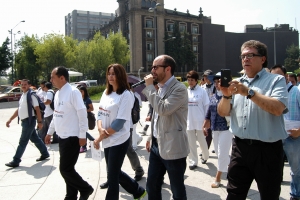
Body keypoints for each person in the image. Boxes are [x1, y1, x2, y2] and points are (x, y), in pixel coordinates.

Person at [218, 40, 288, 199]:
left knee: (269, 195)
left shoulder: (276, 80)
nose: (245, 59)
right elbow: (223, 112)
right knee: (234, 194)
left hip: (267, 151)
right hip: (240, 148)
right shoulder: (236, 83)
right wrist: (226, 95)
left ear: (263, 59)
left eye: (250, 55)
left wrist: (249, 92)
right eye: (243, 56)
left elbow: (278, 109)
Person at [93, 63, 146, 200]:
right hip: (106, 138)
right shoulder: (106, 92)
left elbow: (119, 123)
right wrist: (100, 129)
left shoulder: (126, 95)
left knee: (112, 177)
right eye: (109, 73)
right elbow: (99, 114)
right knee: (114, 172)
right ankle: (138, 191)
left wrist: (99, 138)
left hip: (119, 139)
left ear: (120, 75)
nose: (110, 77)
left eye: (114, 74)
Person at [142, 55, 189, 200]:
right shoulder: (160, 88)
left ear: (168, 69)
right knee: (152, 185)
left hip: (173, 146)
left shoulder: (179, 89)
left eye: (156, 67)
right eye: (152, 67)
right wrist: (151, 137)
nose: (152, 71)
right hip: (157, 145)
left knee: (177, 189)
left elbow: (163, 109)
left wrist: (149, 87)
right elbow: (157, 116)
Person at [45, 66, 94, 200]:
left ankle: (86, 189)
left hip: (73, 137)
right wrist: (50, 132)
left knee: (65, 169)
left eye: (53, 77)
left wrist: (83, 135)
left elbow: (82, 113)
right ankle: (71, 195)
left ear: (62, 78)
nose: (51, 80)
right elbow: (56, 114)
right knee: (69, 168)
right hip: (62, 136)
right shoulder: (58, 93)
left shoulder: (73, 92)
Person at [270, 64, 300, 200]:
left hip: (293, 137)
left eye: (279, 76)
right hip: (275, 136)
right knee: (274, 170)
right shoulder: (270, 94)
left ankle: (295, 194)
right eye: (273, 76)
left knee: (296, 170)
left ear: (286, 77)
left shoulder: (296, 92)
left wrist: (299, 131)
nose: (276, 79)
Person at [5, 79, 49, 168]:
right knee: (35, 139)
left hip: (29, 121)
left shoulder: (31, 95)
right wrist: (10, 119)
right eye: (22, 84)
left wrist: (40, 122)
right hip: (25, 121)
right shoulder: (23, 95)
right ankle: (45, 153)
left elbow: (37, 109)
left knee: (23, 141)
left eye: (25, 84)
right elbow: (19, 110)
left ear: (29, 85)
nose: (23, 86)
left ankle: (16, 160)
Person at [203, 73, 232, 188]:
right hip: (215, 128)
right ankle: (232, 167)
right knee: (219, 152)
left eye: (220, 81)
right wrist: (205, 125)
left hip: (227, 128)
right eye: (215, 82)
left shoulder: (231, 96)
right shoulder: (213, 95)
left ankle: (218, 177)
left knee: (222, 153)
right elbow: (209, 111)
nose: (217, 84)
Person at [186, 70, 210, 170]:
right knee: (191, 142)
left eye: (192, 80)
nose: (190, 82)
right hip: (189, 121)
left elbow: (207, 106)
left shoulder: (202, 91)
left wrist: (206, 121)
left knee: (202, 141)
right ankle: (193, 161)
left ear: (196, 80)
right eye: (189, 80)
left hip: (200, 121)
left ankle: (205, 156)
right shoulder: (185, 91)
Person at [78, 86, 95, 153]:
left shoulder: (87, 99)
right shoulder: (79, 99)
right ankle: (91, 140)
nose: (80, 92)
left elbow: (92, 108)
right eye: (79, 91)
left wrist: (85, 111)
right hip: (79, 117)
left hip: (86, 117)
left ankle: (84, 146)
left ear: (85, 92)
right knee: (82, 130)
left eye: (82, 91)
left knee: (83, 131)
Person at [201, 69, 215, 151]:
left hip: (215, 111)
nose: (206, 78)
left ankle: (215, 147)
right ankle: (205, 150)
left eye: (208, 76)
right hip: (205, 112)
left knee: (214, 131)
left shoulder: (216, 86)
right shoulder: (202, 87)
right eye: (205, 76)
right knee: (207, 131)